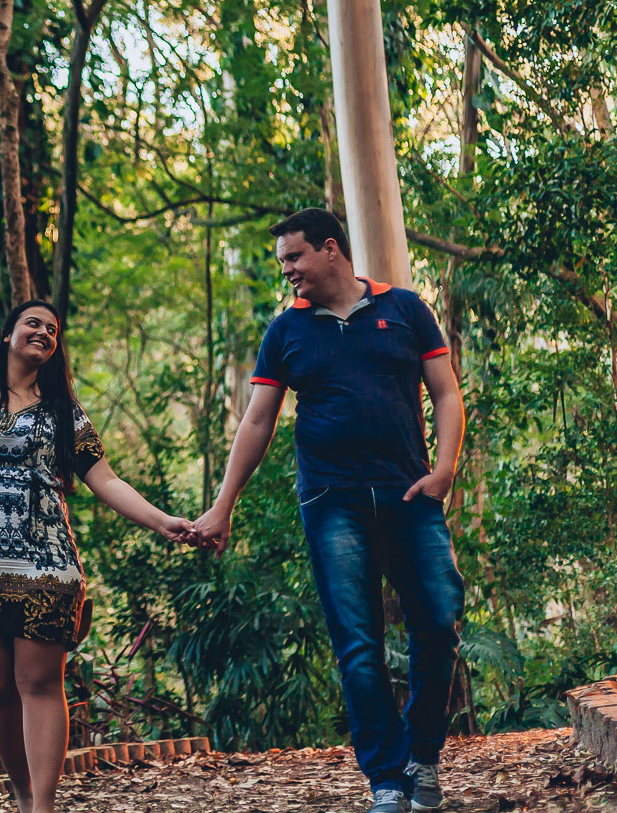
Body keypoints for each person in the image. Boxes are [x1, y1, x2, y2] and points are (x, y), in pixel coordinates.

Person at [192, 209, 465, 813]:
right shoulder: (286, 331)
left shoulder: (407, 309)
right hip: (330, 501)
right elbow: (258, 421)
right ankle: (388, 780)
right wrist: (222, 506)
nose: (286, 269)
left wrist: (444, 469)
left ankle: (423, 757)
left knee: (440, 620)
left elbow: (445, 391)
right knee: (358, 644)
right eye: (283, 260)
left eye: (294, 257)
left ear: (331, 250)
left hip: (408, 493)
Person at [0, 300, 196, 813]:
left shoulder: (64, 410)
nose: (44, 332)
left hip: (47, 561)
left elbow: (105, 479)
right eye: (33, 323)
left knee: (40, 684)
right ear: (8, 335)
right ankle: (22, 796)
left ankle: (43, 806)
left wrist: (163, 521)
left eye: (53, 329)